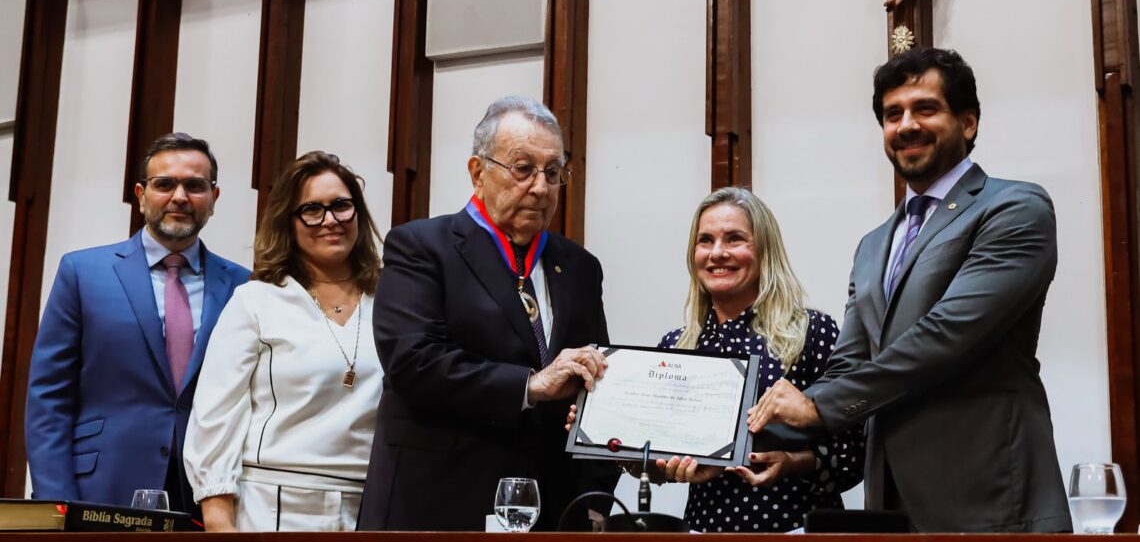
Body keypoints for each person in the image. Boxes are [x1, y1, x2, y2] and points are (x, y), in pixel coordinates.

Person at [747, 47, 1071, 532]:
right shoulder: (874, 244)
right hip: (890, 504)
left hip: (990, 498)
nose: (906, 125)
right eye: (892, 114)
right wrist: (730, 443)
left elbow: (946, 336)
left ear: (968, 122)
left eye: (925, 108)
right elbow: (849, 364)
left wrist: (820, 407)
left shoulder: (1014, 208)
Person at [358, 96, 618, 531]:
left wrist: (596, 500)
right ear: (478, 173)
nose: (540, 187)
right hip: (438, 507)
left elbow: (596, 381)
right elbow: (414, 363)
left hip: (553, 512)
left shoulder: (579, 268)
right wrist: (530, 386)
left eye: (553, 173)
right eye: (523, 169)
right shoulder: (421, 247)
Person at [25, 132, 250, 514]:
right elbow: (49, 398)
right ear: (141, 194)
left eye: (195, 186)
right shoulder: (83, 273)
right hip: (98, 486)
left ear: (214, 198)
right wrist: (55, 503)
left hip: (206, 495)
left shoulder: (243, 286)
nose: (180, 197)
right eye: (165, 184)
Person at [183, 151, 384, 531]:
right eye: (311, 209)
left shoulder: (392, 301)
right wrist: (218, 519)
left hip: (370, 506)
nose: (330, 220)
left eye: (342, 205)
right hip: (274, 503)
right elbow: (216, 415)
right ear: (288, 223)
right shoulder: (257, 301)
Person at [650, 187, 864, 533]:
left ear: (765, 250)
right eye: (705, 240)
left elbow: (857, 452)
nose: (717, 253)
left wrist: (793, 462)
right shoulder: (676, 347)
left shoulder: (813, 332)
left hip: (795, 528)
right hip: (705, 529)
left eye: (735, 239)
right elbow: (648, 456)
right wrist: (660, 466)